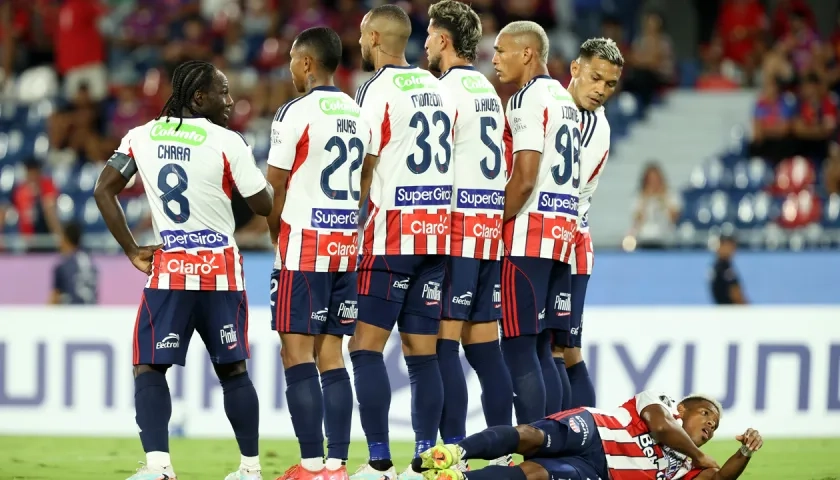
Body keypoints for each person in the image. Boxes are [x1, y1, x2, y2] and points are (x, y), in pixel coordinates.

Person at [93, 60, 274, 480]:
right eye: (223, 92)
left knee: (149, 367)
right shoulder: (229, 142)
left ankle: (159, 467)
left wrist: (132, 249)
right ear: (198, 97)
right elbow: (263, 204)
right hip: (221, 272)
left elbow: (104, 188)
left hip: (171, 269)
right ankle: (250, 469)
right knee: (234, 372)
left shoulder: (141, 136)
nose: (230, 101)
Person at [349, 5, 457, 479]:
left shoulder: (375, 89)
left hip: (391, 234)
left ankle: (378, 462)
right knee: (422, 354)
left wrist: (351, 223)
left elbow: (365, 163)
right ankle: (424, 458)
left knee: (365, 348)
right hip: (436, 232)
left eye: (359, 34)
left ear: (373, 38)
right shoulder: (436, 86)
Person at [265, 26, 366, 480]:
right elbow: (368, 175)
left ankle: (308, 465)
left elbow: (275, 186)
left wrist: (274, 234)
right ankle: (337, 465)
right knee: (332, 354)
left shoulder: (295, 112)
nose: (289, 68)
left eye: (291, 59)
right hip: (345, 245)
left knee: (296, 354)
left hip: (304, 246)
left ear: (306, 63)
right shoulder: (357, 110)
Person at [424, 0, 514, 470]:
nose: (424, 42)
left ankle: (453, 454)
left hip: (456, 228)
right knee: (484, 349)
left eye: (429, 33)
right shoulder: (486, 90)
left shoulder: (443, 92)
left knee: (443, 344)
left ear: (443, 40)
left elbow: (435, 162)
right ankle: (501, 458)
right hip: (489, 230)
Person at [492, 20, 580, 424]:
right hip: (563, 233)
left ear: (527, 53)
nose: (494, 60)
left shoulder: (525, 99)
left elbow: (525, 177)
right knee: (546, 349)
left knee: (519, 348)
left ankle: (532, 451)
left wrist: (495, 224)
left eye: (501, 51)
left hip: (528, 237)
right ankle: (559, 450)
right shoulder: (564, 98)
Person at [416, 391, 764, 480]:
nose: (710, 425)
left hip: (599, 473)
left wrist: (744, 453)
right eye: (706, 414)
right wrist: (702, 456)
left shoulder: (685, 466)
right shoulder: (662, 403)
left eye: (715, 426)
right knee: (531, 436)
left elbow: (718, 478)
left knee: (535, 474)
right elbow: (659, 428)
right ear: (685, 408)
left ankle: (459, 477)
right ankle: (456, 450)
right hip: (594, 431)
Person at [552, 38, 624, 410]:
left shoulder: (596, 128)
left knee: (560, 350)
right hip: (556, 241)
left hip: (566, 245)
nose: (601, 90)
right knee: (559, 350)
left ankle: (573, 442)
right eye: (596, 78)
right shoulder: (556, 107)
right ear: (575, 69)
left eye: (610, 84)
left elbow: (553, 187)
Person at [50, 220, 99, 305]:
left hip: (71, 313)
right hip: (92, 312)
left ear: (65, 239)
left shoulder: (63, 266)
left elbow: (54, 299)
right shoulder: (90, 263)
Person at [710, 235, 747, 305]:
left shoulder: (722, 267)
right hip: (730, 311)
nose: (733, 250)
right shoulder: (723, 268)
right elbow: (736, 295)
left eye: (734, 247)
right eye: (730, 246)